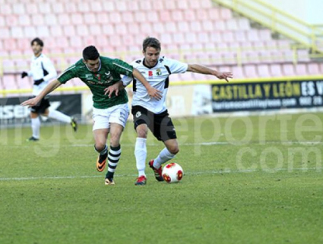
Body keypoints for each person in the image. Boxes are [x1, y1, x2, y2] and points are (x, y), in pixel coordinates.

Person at [21, 45, 161, 185]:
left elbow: (134, 71)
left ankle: (110, 176)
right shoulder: (78, 68)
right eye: (91, 64)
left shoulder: (110, 63)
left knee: (114, 138)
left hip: (119, 105)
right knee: (100, 145)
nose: (95, 66)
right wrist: (38, 98)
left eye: (97, 63)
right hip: (100, 108)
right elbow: (57, 82)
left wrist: (148, 87)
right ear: (84, 61)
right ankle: (103, 153)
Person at [107, 37, 233, 185]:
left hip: (160, 111)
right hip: (140, 107)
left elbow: (192, 67)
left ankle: (155, 164)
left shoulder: (167, 64)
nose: (153, 58)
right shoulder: (135, 66)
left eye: (156, 54)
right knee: (141, 131)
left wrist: (215, 72)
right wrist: (116, 86)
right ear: (143, 52)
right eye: (150, 54)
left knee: (173, 148)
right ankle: (141, 175)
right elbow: (123, 82)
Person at [21, 37, 77, 142]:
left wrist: (42, 80)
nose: (35, 46)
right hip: (36, 90)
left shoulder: (44, 60)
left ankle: (35, 137)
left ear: (41, 47)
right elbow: (35, 72)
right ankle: (70, 120)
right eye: (33, 44)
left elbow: (53, 73)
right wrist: (27, 74)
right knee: (45, 112)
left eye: (37, 45)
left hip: (42, 91)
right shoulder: (33, 59)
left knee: (34, 112)